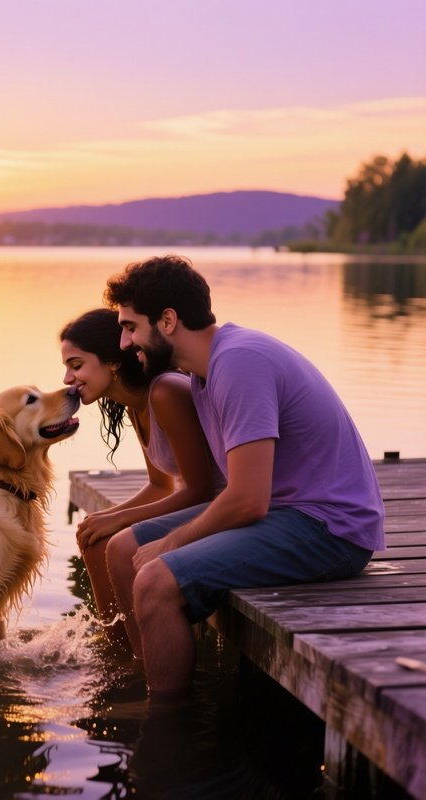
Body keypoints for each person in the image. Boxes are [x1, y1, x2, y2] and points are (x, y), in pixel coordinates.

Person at [102, 255, 385, 697]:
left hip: (331, 528)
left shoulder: (239, 363)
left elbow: (248, 499)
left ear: (169, 320)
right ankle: (146, 678)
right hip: (282, 512)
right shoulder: (203, 374)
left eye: (131, 327)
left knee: (156, 578)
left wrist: (173, 542)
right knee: (123, 549)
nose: (123, 342)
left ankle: (168, 727)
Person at [60, 308, 222, 646]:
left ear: (112, 361)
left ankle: (138, 658)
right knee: (94, 536)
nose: (67, 379)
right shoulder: (134, 402)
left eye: (76, 365)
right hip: (202, 503)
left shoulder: (165, 392)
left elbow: (201, 489)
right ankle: (116, 649)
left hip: (223, 508)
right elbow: (160, 485)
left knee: (117, 543)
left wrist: (121, 519)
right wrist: (107, 517)